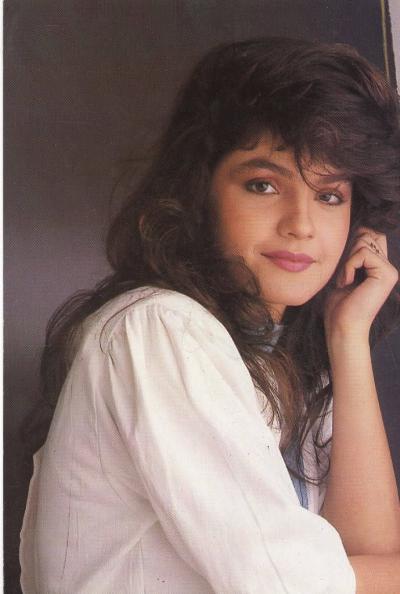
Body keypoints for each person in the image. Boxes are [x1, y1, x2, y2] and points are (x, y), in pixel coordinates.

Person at [20, 37, 400, 593]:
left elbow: (369, 553)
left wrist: (347, 336)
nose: (301, 224)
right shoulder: (159, 329)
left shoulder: (284, 359)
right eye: (263, 185)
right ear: (201, 194)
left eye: (330, 196)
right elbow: (288, 585)